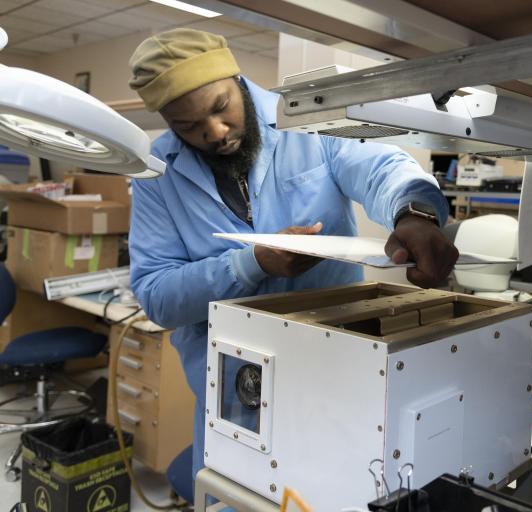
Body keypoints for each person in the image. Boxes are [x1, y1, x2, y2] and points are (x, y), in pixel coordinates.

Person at [127, 28, 459, 483]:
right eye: (188, 127)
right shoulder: (156, 172)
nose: (215, 132)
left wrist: (414, 212)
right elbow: (157, 295)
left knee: (334, 487)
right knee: (236, 496)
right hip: (232, 392)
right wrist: (252, 264)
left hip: (332, 367)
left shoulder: (306, 120)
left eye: (221, 107)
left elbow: (380, 168)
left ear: (237, 80)